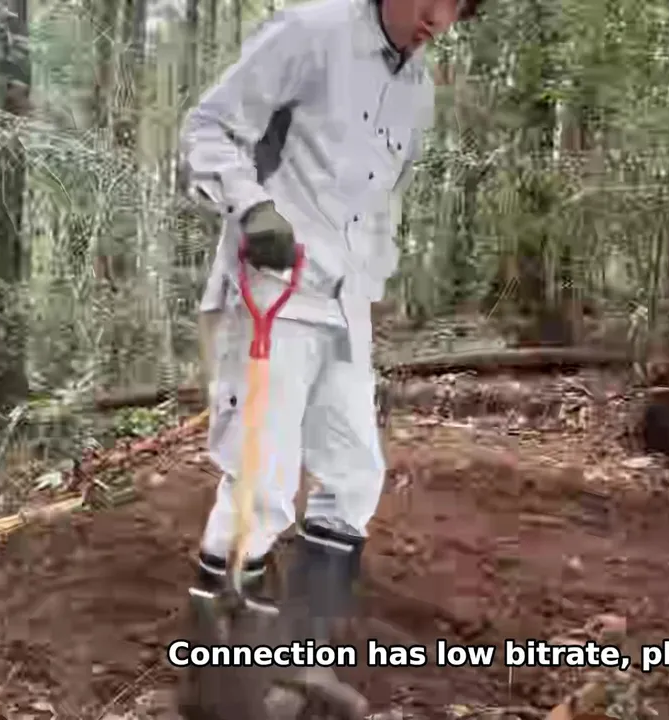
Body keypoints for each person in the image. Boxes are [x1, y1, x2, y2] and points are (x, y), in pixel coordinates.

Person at [178, 0, 480, 714]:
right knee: (262, 485)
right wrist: (252, 207)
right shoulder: (312, 32)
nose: (439, 18)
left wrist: (373, 282)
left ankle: (295, 662)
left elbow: (383, 203)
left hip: (345, 305)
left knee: (353, 476)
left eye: (459, 7)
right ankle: (219, 691)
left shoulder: (417, 87)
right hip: (272, 289)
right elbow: (208, 129)